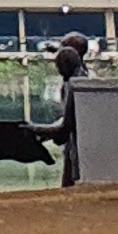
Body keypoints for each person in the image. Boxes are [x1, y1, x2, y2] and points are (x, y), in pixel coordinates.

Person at [50, 31, 91, 185]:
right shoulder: (81, 73)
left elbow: (68, 124)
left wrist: (40, 130)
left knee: (71, 180)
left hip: (76, 141)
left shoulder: (75, 83)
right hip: (73, 138)